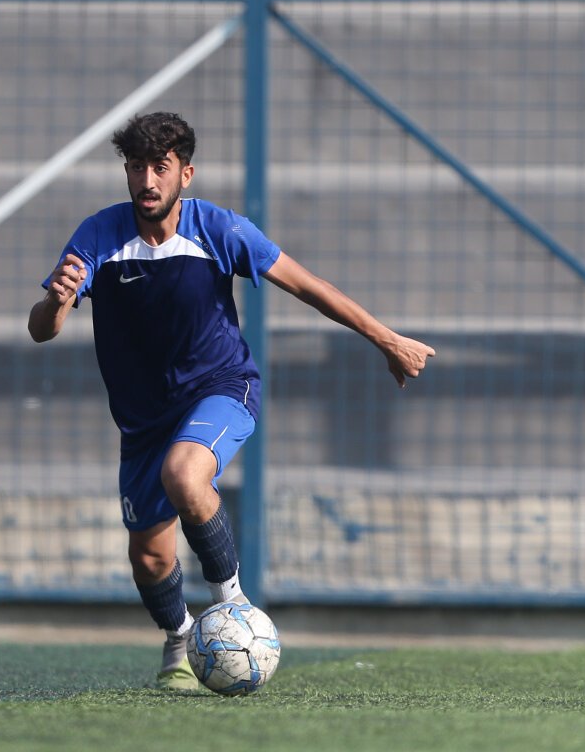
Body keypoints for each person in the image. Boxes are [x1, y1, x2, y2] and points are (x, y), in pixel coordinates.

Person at [28, 112, 434, 689]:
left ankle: (234, 607)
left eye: (160, 167)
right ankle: (179, 640)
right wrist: (57, 300)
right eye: (137, 167)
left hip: (221, 388)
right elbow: (41, 329)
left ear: (185, 174)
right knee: (150, 558)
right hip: (142, 420)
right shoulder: (99, 235)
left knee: (185, 475)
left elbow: (310, 286)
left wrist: (387, 340)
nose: (148, 180)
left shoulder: (218, 229)